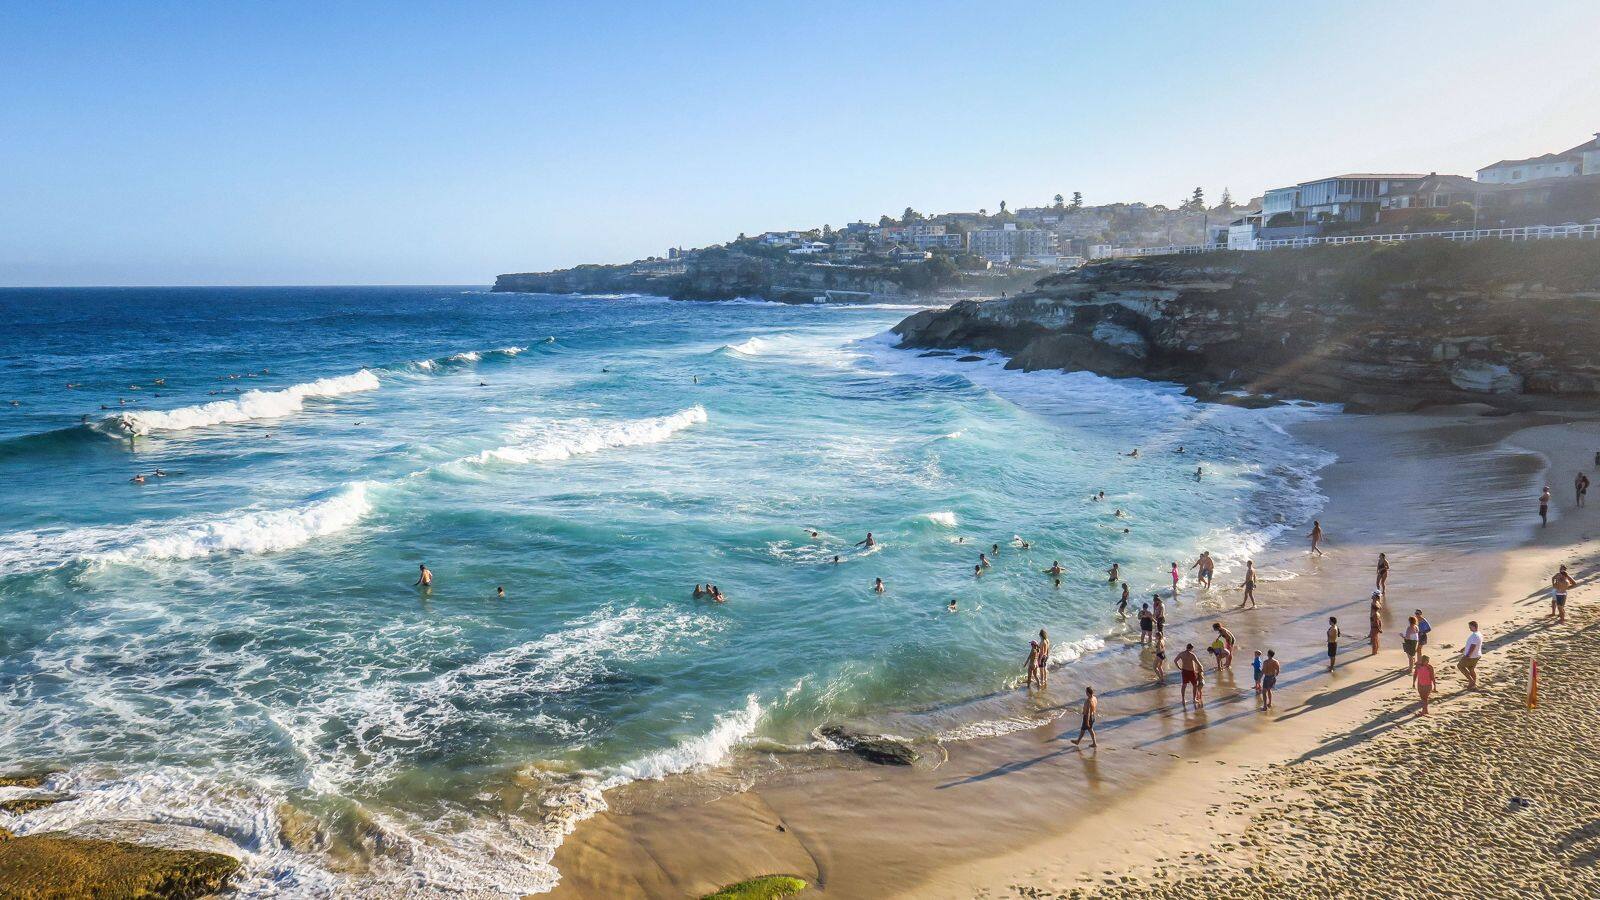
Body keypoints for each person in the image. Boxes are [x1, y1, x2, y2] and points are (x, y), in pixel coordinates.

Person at [1175, 644, 1204, 709]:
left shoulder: (1181, 654)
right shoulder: (1192, 655)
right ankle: (1194, 699)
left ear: (1186, 647)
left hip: (1184, 671)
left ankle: (1183, 700)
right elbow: (1198, 663)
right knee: (1194, 685)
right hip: (1191, 672)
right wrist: (1201, 669)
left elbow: (1175, 661)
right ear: (1191, 648)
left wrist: (1179, 667)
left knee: (1184, 685)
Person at [1459, 620, 1483, 689]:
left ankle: (1471, 681)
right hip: (1477, 655)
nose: (1469, 628)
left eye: (1470, 627)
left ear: (1473, 626)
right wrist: (1464, 648)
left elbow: (1473, 646)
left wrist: (1468, 655)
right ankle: (1473, 683)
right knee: (1471, 669)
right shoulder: (1479, 634)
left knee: (1460, 666)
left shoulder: (1475, 636)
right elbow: (1472, 644)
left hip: (1471, 656)